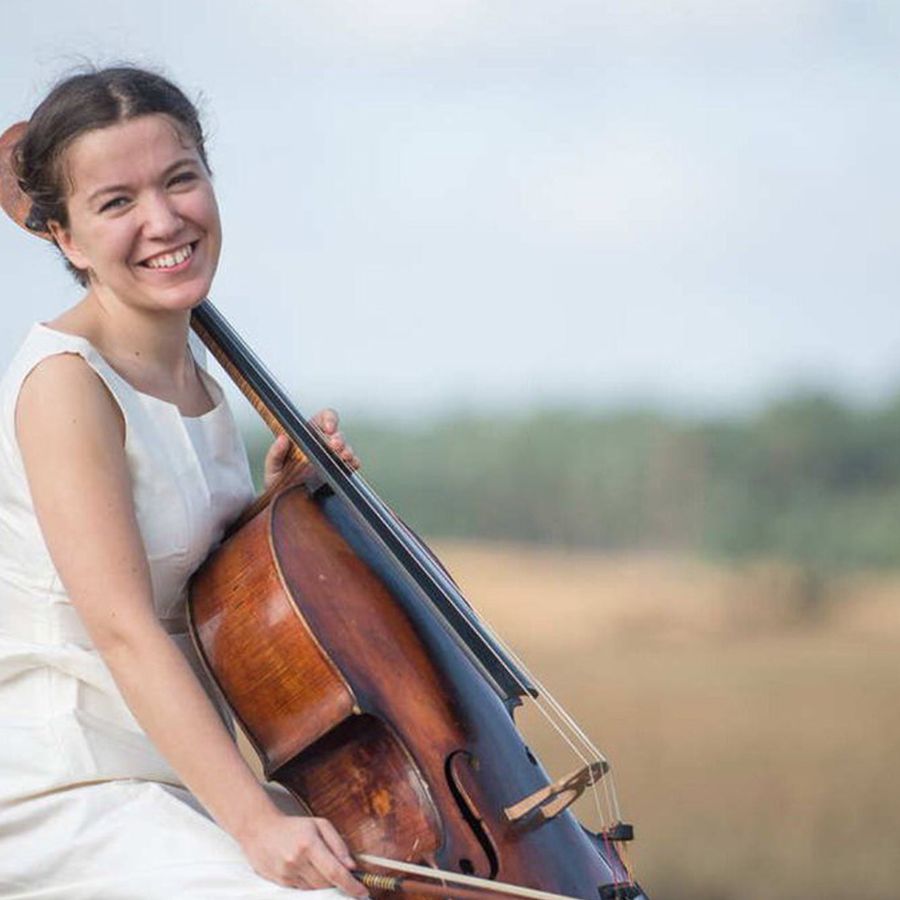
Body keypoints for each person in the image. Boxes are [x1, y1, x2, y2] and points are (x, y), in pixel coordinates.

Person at [0, 65, 369, 898]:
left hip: (175, 776)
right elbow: (125, 628)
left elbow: (194, 588)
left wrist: (274, 508)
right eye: (116, 202)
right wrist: (256, 824)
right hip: (68, 786)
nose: (164, 221)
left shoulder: (195, 370)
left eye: (179, 179)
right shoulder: (66, 383)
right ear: (65, 239)